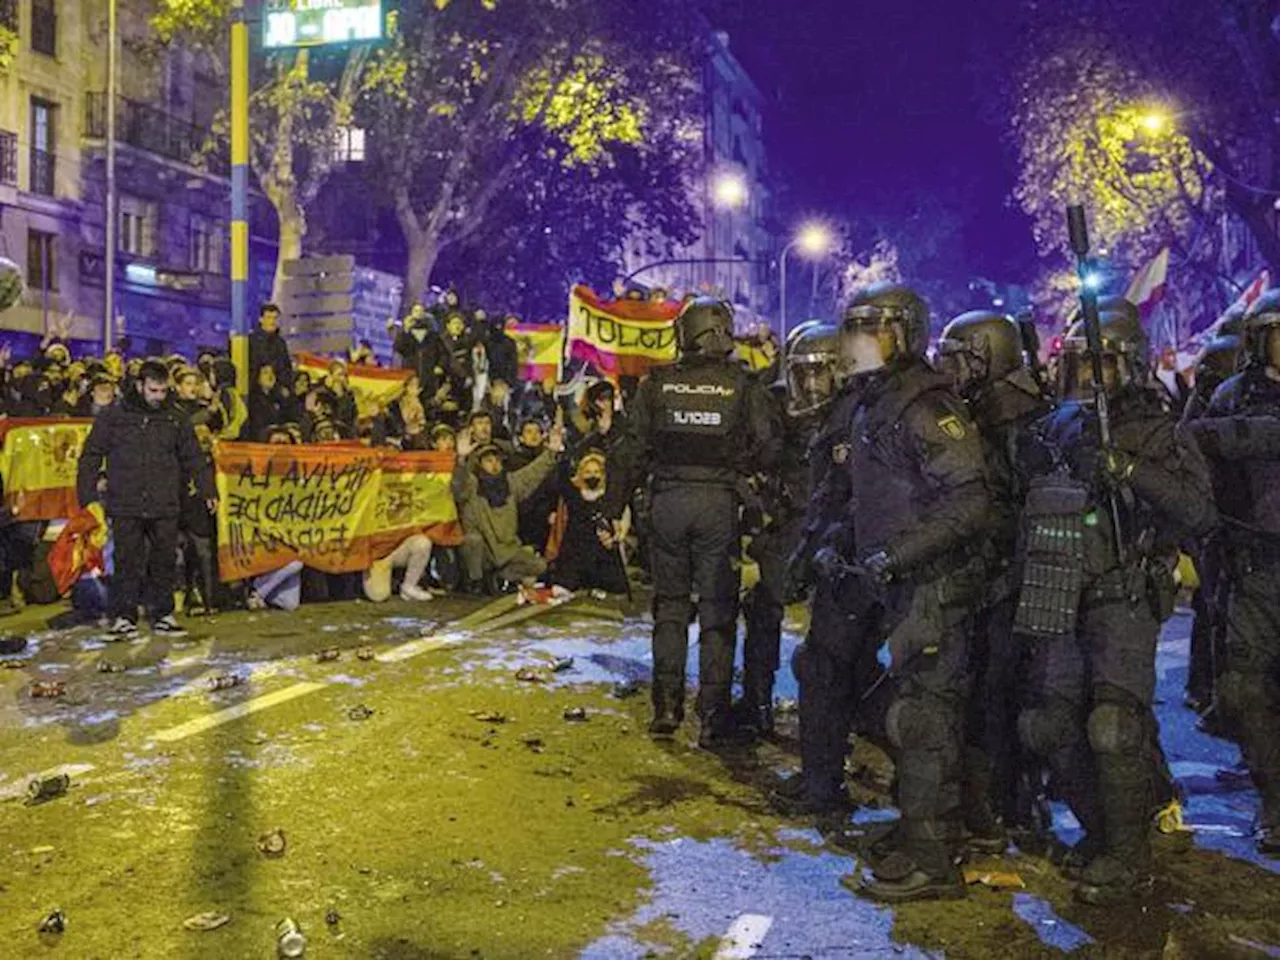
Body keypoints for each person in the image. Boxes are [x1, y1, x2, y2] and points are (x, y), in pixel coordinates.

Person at [1017, 303, 1216, 904]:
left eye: (1100, 364)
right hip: (1059, 587)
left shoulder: (1160, 431)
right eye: (1078, 363)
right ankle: (1102, 832)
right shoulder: (1059, 426)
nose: (1086, 376)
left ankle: (1130, 857)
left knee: (1111, 726)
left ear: (1126, 367)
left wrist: (1129, 469)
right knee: (1047, 725)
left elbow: (1199, 514)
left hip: (1122, 593)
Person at [811, 284, 991, 903]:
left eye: (875, 331)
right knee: (899, 709)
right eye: (855, 330)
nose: (860, 344)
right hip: (894, 583)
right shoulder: (874, 402)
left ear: (906, 335)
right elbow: (870, 496)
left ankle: (933, 858)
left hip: (932, 585)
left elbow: (970, 499)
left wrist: (899, 555)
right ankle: (924, 830)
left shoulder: (924, 404)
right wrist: (842, 544)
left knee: (923, 718)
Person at [629, 297, 780, 748]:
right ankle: (713, 714)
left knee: (671, 608)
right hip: (717, 503)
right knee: (718, 612)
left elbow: (634, 448)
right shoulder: (742, 384)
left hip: (668, 501)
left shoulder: (656, 382)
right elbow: (769, 447)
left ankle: (666, 706)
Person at [934, 309, 1054, 853]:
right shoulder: (986, 407)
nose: (951, 370)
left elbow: (1015, 502)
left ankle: (1009, 803)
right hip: (992, 572)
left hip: (1011, 576)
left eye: (960, 359)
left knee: (1001, 693)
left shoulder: (1011, 414)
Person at [1188, 290, 1280, 857]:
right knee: (1244, 692)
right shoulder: (1229, 397)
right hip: (1254, 569)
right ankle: (1275, 802)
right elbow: (1194, 463)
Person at [739, 321, 835, 738]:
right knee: (765, 608)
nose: (811, 384)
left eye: (819, 372)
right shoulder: (776, 401)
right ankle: (758, 703)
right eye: (804, 373)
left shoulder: (860, 407)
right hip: (795, 518)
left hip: (834, 525)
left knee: (836, 631)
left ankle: (835, 719)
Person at [76, 359, 215, 640]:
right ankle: (123, 617)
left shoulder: (175, 418)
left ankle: (162, 613)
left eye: (163, 391)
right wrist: (87, 495)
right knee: (127, 560)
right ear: (140, 386)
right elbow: (91, 455)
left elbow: (193, 458)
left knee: (164, 560)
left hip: (164, 500)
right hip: (125, 500)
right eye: (153, 391)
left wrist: (208, 489)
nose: (158, 397)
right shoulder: (113, 416)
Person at [452, 422, 564, 593]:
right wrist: (460, 460)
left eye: (497, 460)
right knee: (472, 541)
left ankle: (499, 577)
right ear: (479, 464)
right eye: (489, 460)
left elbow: (532, 474)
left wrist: (551, 453)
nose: (495, 464)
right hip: (482, 550)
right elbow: (458, 484)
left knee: (538, 566)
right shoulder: (472, 485)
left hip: (506, 550)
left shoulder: (510, 483)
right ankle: (475, 582)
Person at [547, 449, 631, 595]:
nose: (593, 476)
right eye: (588, 472)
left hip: (603, 557)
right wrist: (560, 453)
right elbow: (562, 478)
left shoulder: (612, 499)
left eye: (597, 472)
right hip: (575, 556)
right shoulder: (573, 496)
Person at [249, 303, 293, 388]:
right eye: (269, 318)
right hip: (256, 391)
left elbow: (286, 368)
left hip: (278, 392)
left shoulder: (281, 343)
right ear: (261, 319)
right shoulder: (251, 341)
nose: (272, 321)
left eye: (275, 318)